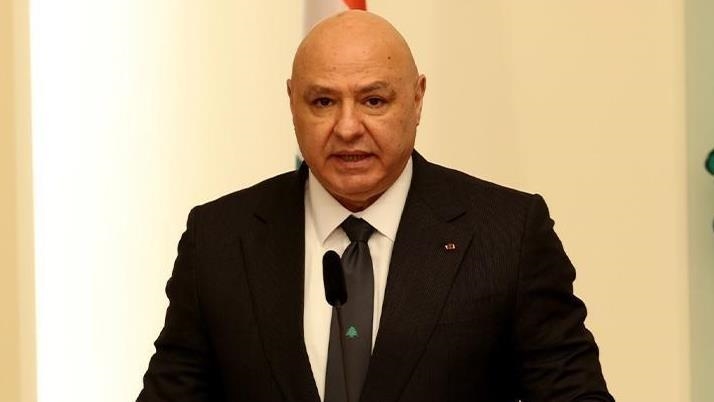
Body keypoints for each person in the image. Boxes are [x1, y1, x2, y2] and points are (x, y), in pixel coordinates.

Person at [138, 10, 614, 402]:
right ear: (292, 102)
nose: (347, 128)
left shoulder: (507, 235)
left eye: (373, 101)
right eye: (323, 102)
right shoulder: (219, 239)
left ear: (417, 99)